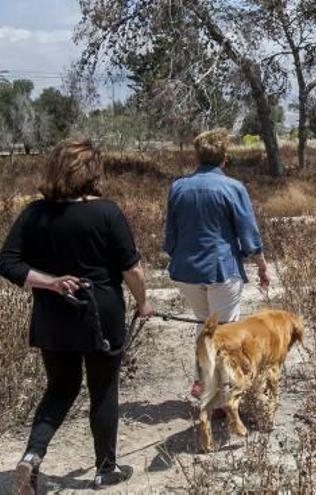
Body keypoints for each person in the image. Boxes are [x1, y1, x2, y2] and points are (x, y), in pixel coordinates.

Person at [0, 139, 154, 493]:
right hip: (100, 314)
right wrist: (143, 303)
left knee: (60, 387)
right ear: (91, 172)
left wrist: (50, 282)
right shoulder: (107, 212)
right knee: (102, 390)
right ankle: (106, 469)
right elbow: (132, 270)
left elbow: (8, 262)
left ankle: (31, 458)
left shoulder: (34, 213)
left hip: (53, 317)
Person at [163, 129, 270, 398]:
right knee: (225, 331)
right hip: (222, 269)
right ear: (225, 158)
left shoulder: (178, 187)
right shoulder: (233, 188)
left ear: (197, 157)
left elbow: (170, 236)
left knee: (205, 325)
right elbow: (248, 233)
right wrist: (261, 264)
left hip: (186, 270)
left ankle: (202, 380)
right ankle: (219, 393)